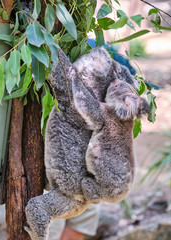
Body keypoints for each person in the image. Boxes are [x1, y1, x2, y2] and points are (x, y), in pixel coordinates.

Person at [47, 40, 137, 240]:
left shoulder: (98, 52)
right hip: (58, 165)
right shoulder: (70, 57)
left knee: (82, 218)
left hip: (88, 171)